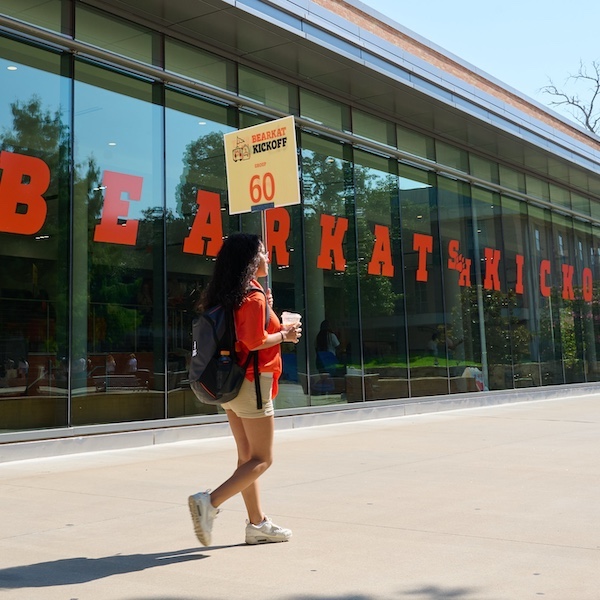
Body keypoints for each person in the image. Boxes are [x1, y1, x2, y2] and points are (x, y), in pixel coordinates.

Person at [188, 232, 301, 547]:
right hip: (252, 384)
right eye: (263, 252)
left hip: (231, 385)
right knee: (263, 459)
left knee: (246, 458)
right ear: (251, 260)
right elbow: (253, 342)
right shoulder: (252, 296)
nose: (268, 257)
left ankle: (257, 524)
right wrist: (286, 336)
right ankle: (208, 503)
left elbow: (247, 334)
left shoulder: (231, 294)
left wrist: (274, 321)